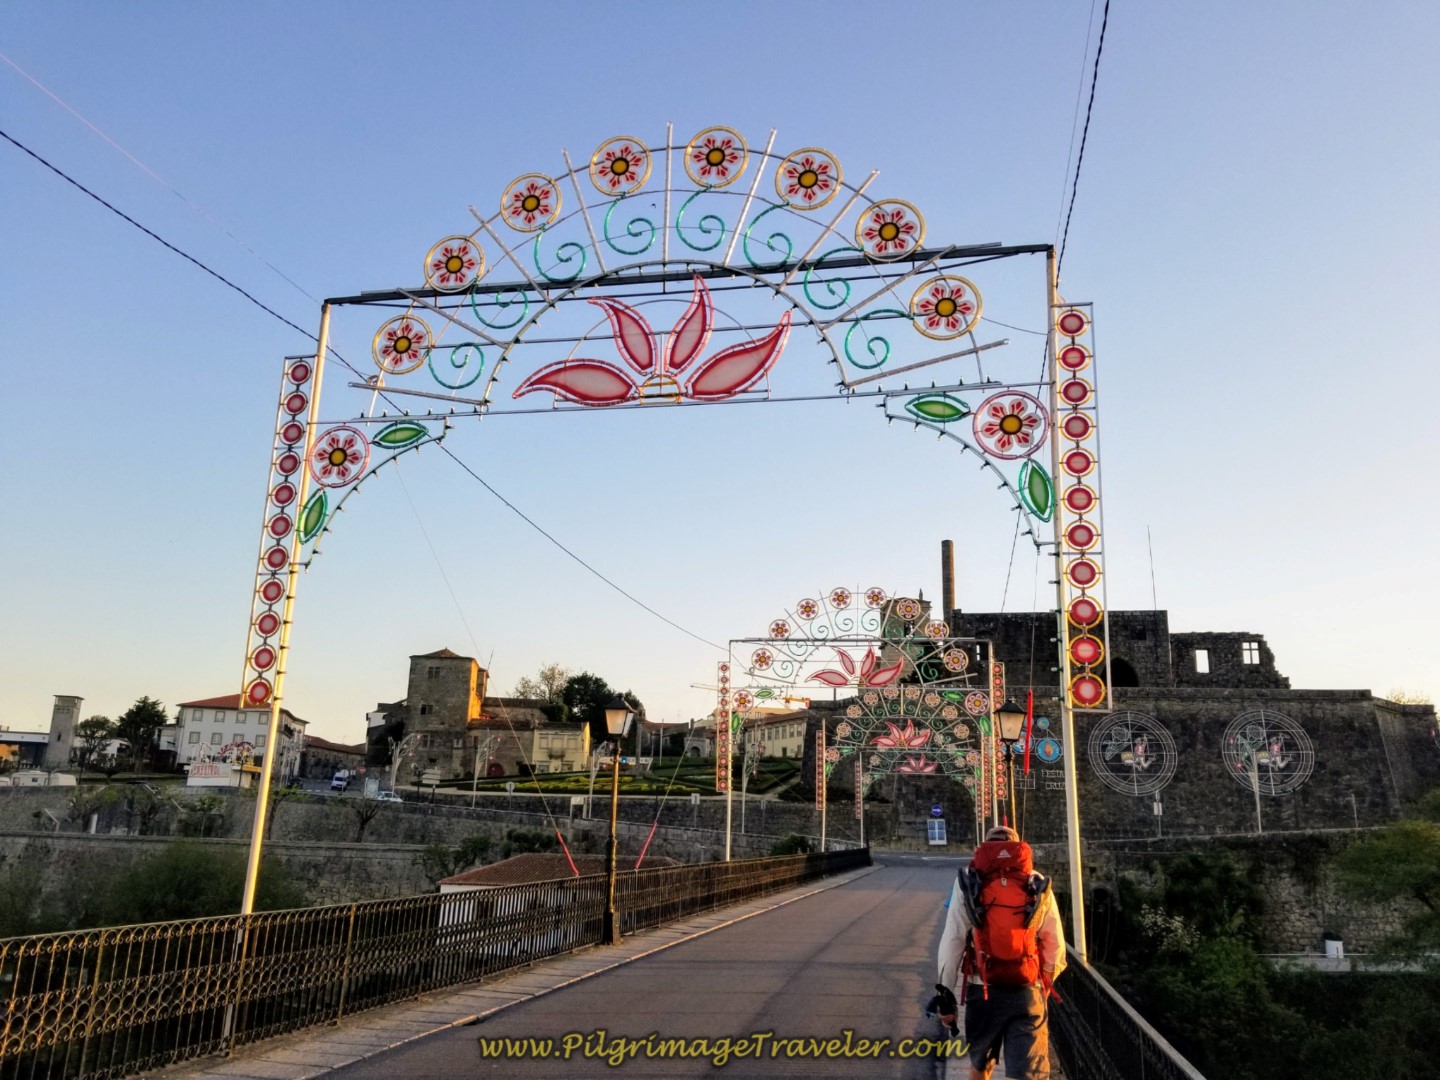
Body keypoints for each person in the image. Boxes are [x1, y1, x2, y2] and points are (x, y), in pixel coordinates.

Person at [936, 825, 1067, 1080]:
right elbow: (1056, 945)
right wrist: (1044, 985)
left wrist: (945, 995)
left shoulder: (968, 882)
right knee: (1028, 1074)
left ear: (984, 848)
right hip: (1026, 989)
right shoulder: (1036, 883)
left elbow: (951, 942)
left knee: (981, 1065)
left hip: (982, 988)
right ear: (1018, 848)